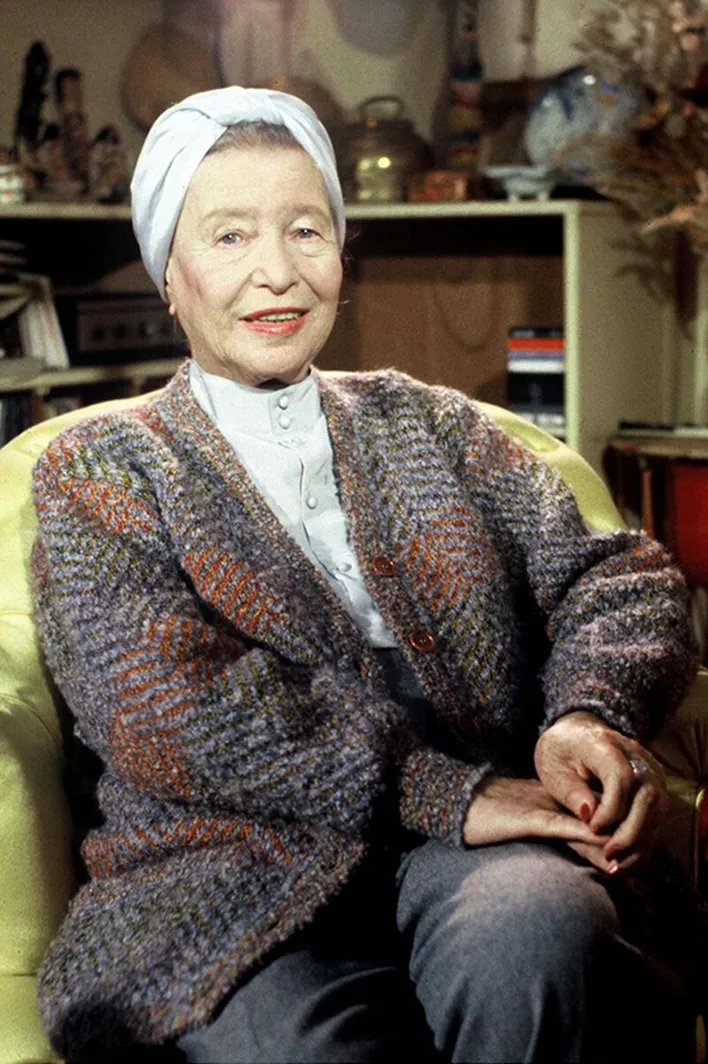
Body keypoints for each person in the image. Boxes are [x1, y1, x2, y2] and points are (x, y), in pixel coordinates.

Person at [31, 86, 700, 1063]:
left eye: (307, 229)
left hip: (472, 844)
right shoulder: (101, 469)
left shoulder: (435, 425)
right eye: (228, 236)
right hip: (226, 871)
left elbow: (618, 580)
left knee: (540, 928)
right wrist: (450, 793)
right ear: (168, 275)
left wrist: (583, 715)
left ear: (342, 250)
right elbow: (180, 711)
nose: (278, 270)